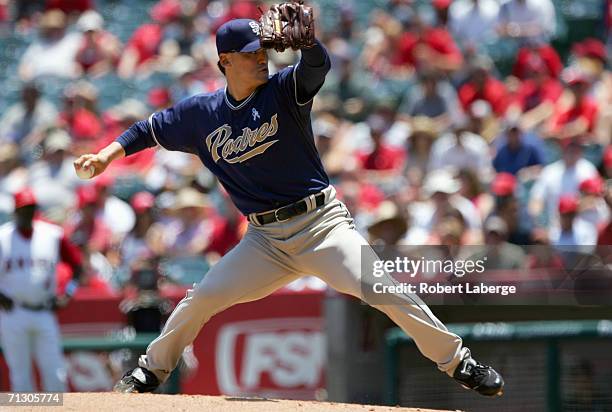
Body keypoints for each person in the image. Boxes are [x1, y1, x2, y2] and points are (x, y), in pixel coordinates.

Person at [74, 17, 504, 396]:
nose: (260, 57)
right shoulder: (200, 114)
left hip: (322, 225)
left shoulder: (282, 89)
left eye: (262, 49)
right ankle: (150, 371)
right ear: (225, 61)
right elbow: (145, 130)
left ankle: (457, 361)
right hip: (264, 241)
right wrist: (104, 156)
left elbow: (317, 68)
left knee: (384, 289)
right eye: (249, 53)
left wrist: (309, 45)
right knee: (201, 298)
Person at [0, 188, 82, 391]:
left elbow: (77, 266)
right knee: (20, 377)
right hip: (13, 312)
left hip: (44, 311)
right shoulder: (2, 237)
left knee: (55, 374)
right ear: (15, 211)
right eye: (23, 209)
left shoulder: (52, 235)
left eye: (30, 208)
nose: (27, 213)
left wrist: (69, 293)